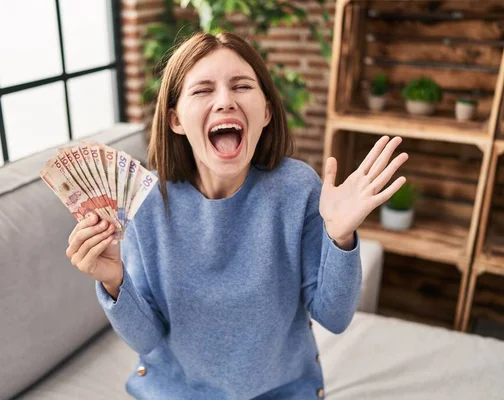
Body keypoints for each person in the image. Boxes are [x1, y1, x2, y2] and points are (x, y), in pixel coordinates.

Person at [65, 31, 408, 399]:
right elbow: (146, 339)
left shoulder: (297, 189)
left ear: (266, 111)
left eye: (242, 86)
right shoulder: (146, 202)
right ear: (175, 119)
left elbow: (335, 319)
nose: (225, 101)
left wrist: (340, 238)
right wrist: (115, 284)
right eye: (202, 90)